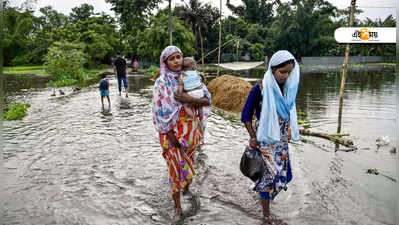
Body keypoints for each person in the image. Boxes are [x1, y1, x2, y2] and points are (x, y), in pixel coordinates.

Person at [241, 50, 300, 225]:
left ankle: (264, 196)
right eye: (283, 71)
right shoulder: (259, 89)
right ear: (272, 69)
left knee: (285, 176)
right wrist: (253, 137)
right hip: (265, 139)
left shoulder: (288, 89)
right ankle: (266, 217)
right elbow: (245, 116)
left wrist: (288, 129)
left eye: (289, 71)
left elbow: (288, 112)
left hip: (281, 141)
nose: (286, 75)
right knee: (267, 179)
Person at [152, 46, 211, 218]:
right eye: (172, 58)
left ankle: (186, 188)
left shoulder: (191, 78)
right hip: (171, 135)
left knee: (189, 166)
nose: (177, 61)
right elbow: (159, 112)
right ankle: (177, 205)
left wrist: (188, 99)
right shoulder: (161, 83)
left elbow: (207, 100)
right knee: (175, 170)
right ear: (165, 62)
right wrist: (172, 137)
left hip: (190, 135)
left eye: (179, 57)